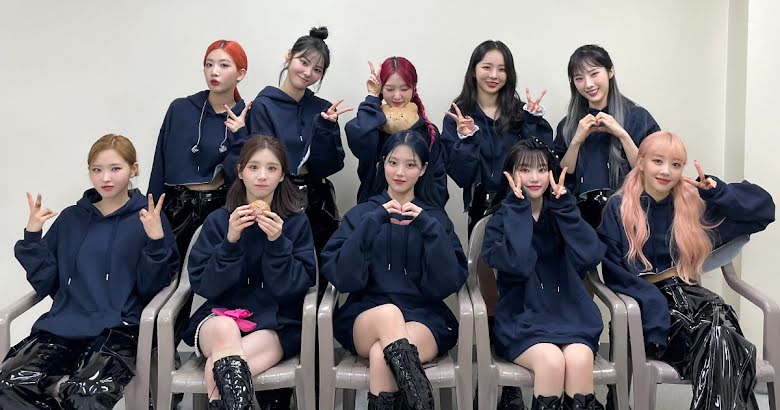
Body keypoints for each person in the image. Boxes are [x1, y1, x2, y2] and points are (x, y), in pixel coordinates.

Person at [598, 131, 775, 410]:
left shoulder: (692, 204)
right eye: (658, 161)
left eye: (676, 164)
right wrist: (653, 305)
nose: (666, 171)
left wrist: (718, 193)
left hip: (698, 302)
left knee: (723, 339)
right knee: (728, 346)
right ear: (641, 162)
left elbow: (763, 209)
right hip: (650, 306)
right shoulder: (618, 207)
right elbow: (614, 272)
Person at [1, 134, 179, 409]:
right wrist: (33, 237)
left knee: (86, 393)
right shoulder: (71, 218)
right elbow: (46, 282)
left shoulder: (148, 217)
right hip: (61, 328)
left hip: (119, 331)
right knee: (9, 384)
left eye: (115, 169)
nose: (105, 178)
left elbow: (151, 288)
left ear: (133, 169)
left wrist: (155, 241)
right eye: (97, 170)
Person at [321, 131, 468, 410]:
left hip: (423, 316)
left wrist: (428, 228)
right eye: (393, 163)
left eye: (410, 165)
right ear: (382, 164)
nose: (400, 172)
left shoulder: (435, 218)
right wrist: (371, 223)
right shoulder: (361, 214)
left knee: (382, 356)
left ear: (423, 169)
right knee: (388, 313)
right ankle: (422, 403)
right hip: (367, 315)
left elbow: (448, 281)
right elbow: (341, 276)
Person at [442, 40, 552, 409]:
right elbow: (460, 175)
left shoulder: (520, 114)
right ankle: (496, 384)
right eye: (487, 67)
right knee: (489, 298)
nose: (494, 75)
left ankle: (516, 384)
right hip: (484, 216)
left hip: (525, 214)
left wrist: (535, 121)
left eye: (502, 69)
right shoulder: (458, 114)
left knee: (521, 292)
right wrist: (466, 137)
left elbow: (543, 161)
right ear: (474, 70)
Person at [181, 135, 316, 410]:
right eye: (254, 167)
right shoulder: (219, 221)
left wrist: (278, 243)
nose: (262, 176)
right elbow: (205, 286)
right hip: (220, 317)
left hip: (273, 323)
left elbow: (294, 289)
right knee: (224, 328)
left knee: (217, 371)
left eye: (271, 168)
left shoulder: (296, 223)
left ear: (282, 175)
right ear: (240, 172)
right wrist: (230, 242)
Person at [482, 138, 605, 410]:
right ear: (511, 174)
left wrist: (566, 209)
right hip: (521, 319)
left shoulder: (561, 210)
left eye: (541, 169)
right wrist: (518, 210)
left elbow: (590, 256)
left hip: (570, 315)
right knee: (551, 360)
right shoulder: (500, 220)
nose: (535, 178)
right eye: (525, 170)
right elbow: (518, 263)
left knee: (580, 359)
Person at [248, 26, 352, 260]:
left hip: (317, 202)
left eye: (317, 69)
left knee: (317, 267)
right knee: (280, 261)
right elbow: (262, 161)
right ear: (289, 56)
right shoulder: (264, 105)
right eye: (303, 62)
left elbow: (332, 166)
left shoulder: (324, 109)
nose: (307, 73)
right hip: (277, 199)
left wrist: (326, 129)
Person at [150, 39, 250, 259]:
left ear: (240, 74)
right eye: (209, 64)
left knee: (216, 271)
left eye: (224, 65)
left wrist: (240, 135)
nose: (214, 71)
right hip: (177, 207)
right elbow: (160, 163)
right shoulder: (181, 108)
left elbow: (243, 178)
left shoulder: (246, 117)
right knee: (168, 272)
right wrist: (152, 209)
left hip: (221, 209)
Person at [554, 44, 660, 228]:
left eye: (594, 73)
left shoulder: (637, 116)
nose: (588, 84)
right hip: (581, 222)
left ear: (610, 72)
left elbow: (652, 169)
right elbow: (561, 175)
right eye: (579, 78)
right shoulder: (568, 124)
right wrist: (576, 141)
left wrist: (622, 134)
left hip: (630, 216)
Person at [345, 56, 448, 208]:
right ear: (381, 89)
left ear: (413, 88)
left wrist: (421, 212)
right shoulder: (372, 125)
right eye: (389, 89)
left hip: (417, 212)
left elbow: (438, 180)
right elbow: (359, 140)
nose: (397, 96)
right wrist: (372, 97)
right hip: (374, 210)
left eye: (404, 89)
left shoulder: (428, 131)